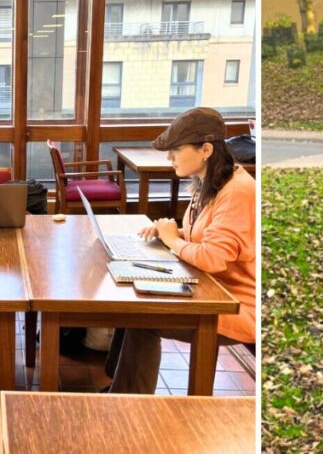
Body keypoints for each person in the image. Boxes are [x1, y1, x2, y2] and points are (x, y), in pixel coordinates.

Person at [109, 107, 256, 394]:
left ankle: (129, 402)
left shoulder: (238, 191)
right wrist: (171, 233)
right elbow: (202, 234)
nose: (169, 157)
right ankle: (117, 389)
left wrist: (172, 240)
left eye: (176, 149)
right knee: (132, 304)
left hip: (232, 304)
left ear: (206, 150)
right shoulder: (208, 183)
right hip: (205, 288)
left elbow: (213, 258)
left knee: (143, 318)